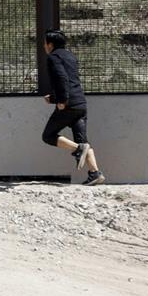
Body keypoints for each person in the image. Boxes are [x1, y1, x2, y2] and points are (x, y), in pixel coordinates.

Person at [41, 30, 105, 186]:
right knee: (84, 141)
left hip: (69, 105)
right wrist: (54, 98)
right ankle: (95, 173)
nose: (44, 46)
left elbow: (62, 78)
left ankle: (77, 149)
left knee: (48, 135)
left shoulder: (53, 57)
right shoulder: (71, 56)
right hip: (81, 104)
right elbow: (71, 80)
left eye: (44, 43)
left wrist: (61, 100)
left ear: (50, 45)